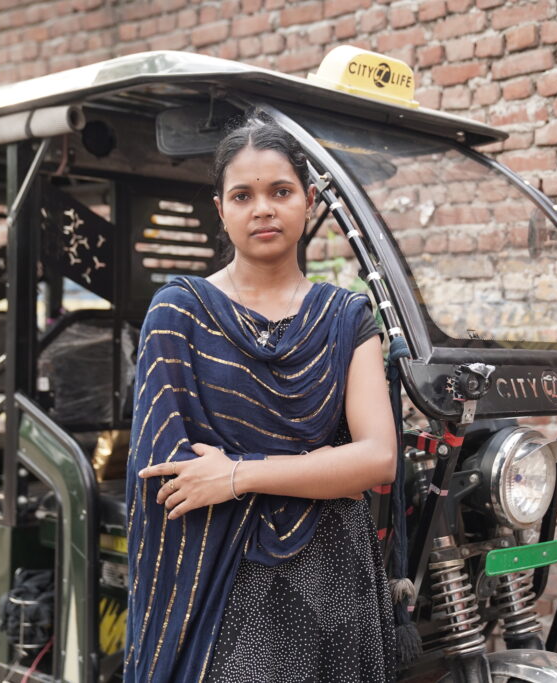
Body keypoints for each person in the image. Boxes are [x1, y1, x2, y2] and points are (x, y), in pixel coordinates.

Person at [124, 114, 398, 682]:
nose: (263, 209)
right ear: (220, 209)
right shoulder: (179, 314)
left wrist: (237, 475)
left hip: (334, 581)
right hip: (223, 586)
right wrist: (320, 468)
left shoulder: (345, 318)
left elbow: (376, 460)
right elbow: (170, 476)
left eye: (280, 191)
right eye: (243, 195)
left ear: (309, 200)